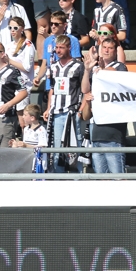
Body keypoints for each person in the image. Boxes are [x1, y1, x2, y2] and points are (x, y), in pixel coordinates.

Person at [80, 36, 128, 174]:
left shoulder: (119, 66)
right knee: (101, 180)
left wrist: (100, 69)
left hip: (113, 134)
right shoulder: (95, 69)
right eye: (104, 47)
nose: (106, 50)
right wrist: (87, 70)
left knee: (117, 177)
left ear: (115, 51)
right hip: (97, 134)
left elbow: (117, 74)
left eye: (110, 48)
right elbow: (84, 89)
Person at [43, 35, 84, 170]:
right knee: (57, 150)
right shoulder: (53, 66)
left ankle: (78, 179)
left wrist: (81, 110)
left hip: (72, 112)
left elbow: (86, 91)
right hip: (57, 112)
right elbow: (52, 90)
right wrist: (48, 108)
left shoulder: (78, 65)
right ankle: (58, 179)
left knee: (75, 149)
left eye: (61, 47)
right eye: (57, 48)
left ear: (69, 48)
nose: (58, 50)